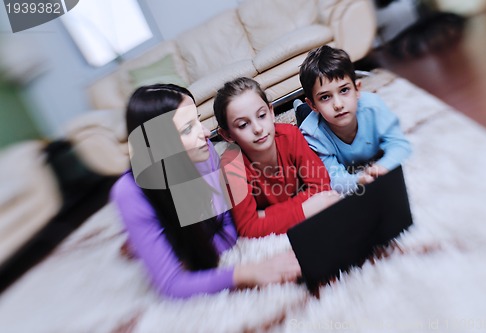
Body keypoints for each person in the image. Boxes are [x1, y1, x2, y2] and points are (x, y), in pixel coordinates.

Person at [111, 84, 301, 299]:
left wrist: (201, 245)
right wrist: (246, 272)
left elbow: (227, 227)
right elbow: (172, 285)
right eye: (187, 128)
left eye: (198, 120)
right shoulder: (128, 192)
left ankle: (140, 239)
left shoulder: (204, 151)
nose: (206, 133)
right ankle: (136, 240)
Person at [214, 77, 340, 238]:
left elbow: (322, 187)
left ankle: (300, 108)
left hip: (293, 134)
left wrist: (264, 214)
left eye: (261, 115)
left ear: (271, 112)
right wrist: (305, 209)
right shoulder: (231, 165)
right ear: (227, 135)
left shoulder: (290, 134)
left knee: (306, 122)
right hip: (299, 199)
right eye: (243, 125)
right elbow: (248, 228)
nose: (258, 129)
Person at [295, 45, 412, 195]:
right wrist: (358, 180)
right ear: (313, 104)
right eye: (325, 97)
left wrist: (382, 167)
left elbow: (400, 144)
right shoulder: (312, 133)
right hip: (313, 116)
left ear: (357, 89)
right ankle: (300, 106)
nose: (338, 105)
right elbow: (333, 179)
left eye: (344, 90)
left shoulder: (374, 107)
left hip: (326, 112)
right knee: (302, 112)